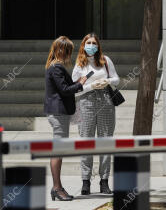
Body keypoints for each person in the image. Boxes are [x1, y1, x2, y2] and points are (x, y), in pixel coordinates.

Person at [72, 33, 120, 195]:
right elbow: (75, 88)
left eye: (94, 43)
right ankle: (85, 181)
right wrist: (92, 86)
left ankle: (104, 181)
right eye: (88, 43)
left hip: (106, 100)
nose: (91, 45)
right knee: (86, 140)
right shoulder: (80, 64)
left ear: (98, 46)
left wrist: (107, 81)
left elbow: (116, 79)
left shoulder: (105, 60)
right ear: (83, 45)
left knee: (105, 140)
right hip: (86, 102)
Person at [44, 36, 87, 201]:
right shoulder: (56, 67)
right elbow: (65, 90)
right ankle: (57, 188)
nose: (69, 54)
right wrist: (80, 83)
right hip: (58, 113)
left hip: (58, 113)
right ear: (62, 50)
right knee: (58, 151)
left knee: (59, 150)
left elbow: (64, 87)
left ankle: (57, 187)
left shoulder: (54, 66)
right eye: (68, 50)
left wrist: (77, 82)